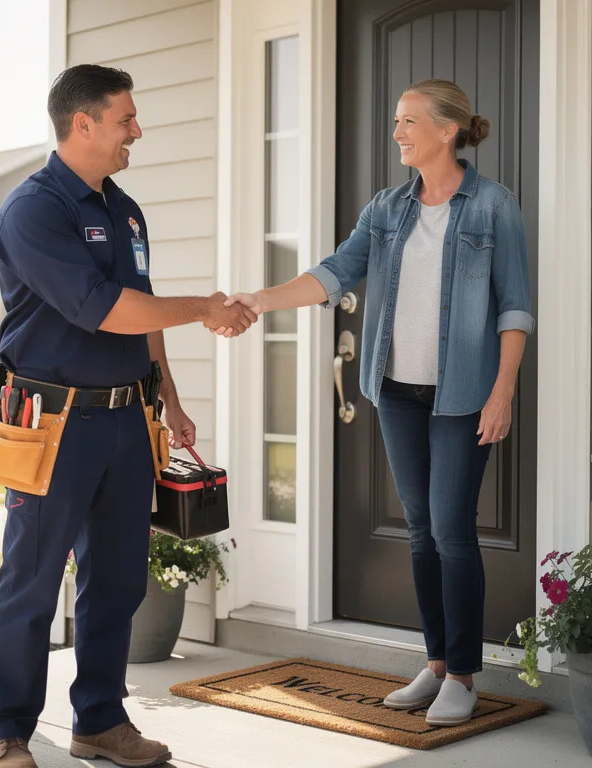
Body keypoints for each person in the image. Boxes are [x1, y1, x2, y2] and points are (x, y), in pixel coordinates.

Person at [221, 78, 534, 727]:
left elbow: (515, 306)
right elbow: (333, 273)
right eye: (396, 122)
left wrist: (503, 389)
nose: (397, 133)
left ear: (447, 130)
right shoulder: (388, 209)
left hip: (464, 397)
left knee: (452, 532)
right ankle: (438, 664)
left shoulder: (493, 207)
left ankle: (467, 677)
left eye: (408, 122)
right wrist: (256, 299)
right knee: (420, 531)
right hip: (396, 393)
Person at [0, 64, 256, 768]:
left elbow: (143, 310)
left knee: (119, 582)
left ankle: (98, 720)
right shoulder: (33, 211)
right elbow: (102, 311)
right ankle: (4, 731)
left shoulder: (124, 209)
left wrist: (171, 396)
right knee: (33, 584)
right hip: (52, 423)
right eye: (127, 118)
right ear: (84, 123)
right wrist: (205, 307)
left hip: (128, 422)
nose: (138, 130)